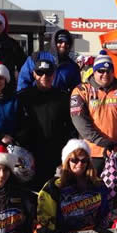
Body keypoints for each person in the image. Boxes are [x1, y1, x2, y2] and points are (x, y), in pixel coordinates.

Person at [70, 53, 117, 175]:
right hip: (92, 152)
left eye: (108, 71)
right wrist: (98, 139)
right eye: (101, 71)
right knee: (93, 185)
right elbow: (79, 120)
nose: (105, 74)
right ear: (94, 71)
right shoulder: (81, 91)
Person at [17, 58, 75, 189]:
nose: (44, 77)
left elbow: (71, 127)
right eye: (40, 73)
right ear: (34, 74)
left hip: (56, 155)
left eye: (48, 73)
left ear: (54, 75)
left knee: (55, 191)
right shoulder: (23, 97)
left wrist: (67, 153)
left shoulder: (63, 97)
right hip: (30, 155)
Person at [35, 139, 111, 233]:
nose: (80, 164)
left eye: (84, 160)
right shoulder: (53, 186)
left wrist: (101, 232)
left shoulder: (98, 184)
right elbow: (46, 220)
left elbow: (105, 213)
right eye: (74, 160)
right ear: (67, 161)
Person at [17, 28, 81, 93]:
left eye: (67, 42)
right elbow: (23, 81)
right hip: (35, 97)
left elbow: (76, 90)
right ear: (54, 43)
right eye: (60, 41)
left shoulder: (73, 67)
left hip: (58, 98)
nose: (63, 45)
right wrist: (24, 97)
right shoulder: (36, 58)